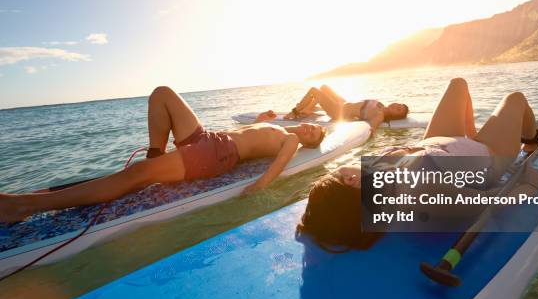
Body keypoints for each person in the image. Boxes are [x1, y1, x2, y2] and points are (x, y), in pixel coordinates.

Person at [0, 86, 326, 223]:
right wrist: (261, 119)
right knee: (162, 94)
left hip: (217, 154)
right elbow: (252, 134)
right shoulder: (279, 125)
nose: (311, 130)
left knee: (135, 175)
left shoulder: (289, 140)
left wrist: (258, 188)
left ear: (309, 142)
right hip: (209, 137)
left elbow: (279, 165)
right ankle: (157, 157)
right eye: (313, 127)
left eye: (315, 134)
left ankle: (25, 205)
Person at [296, 78, 538, 251]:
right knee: (515, 98)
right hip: (489, 154)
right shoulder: (419, 193)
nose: (341, 170)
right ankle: (532, 141)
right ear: (352, 182)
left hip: (436, 143)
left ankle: (475, 132)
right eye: (340, 176)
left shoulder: (373, 180)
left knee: (458, 84)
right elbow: (492, 201)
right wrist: (531, 183)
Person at [283, 84, 409, 133]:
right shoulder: (380, 105)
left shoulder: (380, 115)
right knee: (324, 87)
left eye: (398, 110)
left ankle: (294, 112)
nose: (396, 106)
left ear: (394, 115)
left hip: (338, 112)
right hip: (343, 104)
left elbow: (371, 129)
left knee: (314, 91)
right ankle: (310, 108)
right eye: (399, 105)